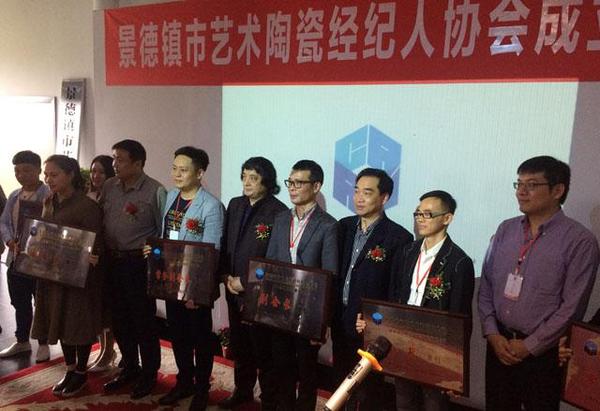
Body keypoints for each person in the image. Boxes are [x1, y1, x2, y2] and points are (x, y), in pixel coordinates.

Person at [478, 156, 599, 411]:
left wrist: (529, 346)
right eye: (518, 183)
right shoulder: (505, 229)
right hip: (499, 345)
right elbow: (487, 285)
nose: (521, 192)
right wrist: (492, 333)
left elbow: (572, 307)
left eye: (531, 185)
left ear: (558, 190)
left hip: (544, 354)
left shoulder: (580, 241)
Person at [332, 168, 412, 410]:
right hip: (340, 319)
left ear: (384, 197)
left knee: (368, 391)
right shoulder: (344, 227)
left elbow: (395, 290)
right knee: (340, 384)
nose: (359, 198)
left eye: (367, 193)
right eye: (356, 191)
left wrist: (376, 321)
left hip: (369, 326)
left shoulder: (398, 237)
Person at [388, 190, 474, 410]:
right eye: (418, 214)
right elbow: (394, 295)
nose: (420, 219)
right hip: (404, 341)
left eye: (427, 214)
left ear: (447, 218)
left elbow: (460, 319)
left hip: (435, 351)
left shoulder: (458, 261)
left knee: (434, 405)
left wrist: (453, 369)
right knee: (404, 403)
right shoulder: (407, 251)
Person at [266, 159, 338, 411]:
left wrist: (322, 322)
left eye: (299, 183)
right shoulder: (280, 218)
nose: (292, 188)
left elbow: (330, 274)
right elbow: (271, 260)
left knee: (307, 369)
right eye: (290, 182)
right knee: (281, 364)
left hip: (309, 310)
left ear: (316, 186)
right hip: (280, 307)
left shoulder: (328, 225)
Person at [156, 146, 225, 410]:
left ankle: (202, 388)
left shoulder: (211, 206)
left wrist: (195, 290)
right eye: (174, 168)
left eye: (183, 170)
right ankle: (184, 381)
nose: (177, 174)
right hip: (171, 280)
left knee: (200, 338)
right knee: (178, 334)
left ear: (199, 173)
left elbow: (211, 252)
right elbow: (166, 234)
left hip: (196, 286)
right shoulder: (171, 195)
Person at [30, 155, 103, 396]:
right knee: (58, 320)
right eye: (46, 175)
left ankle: (81, 373)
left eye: (54, 174)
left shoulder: (87, 206)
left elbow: (95, 242)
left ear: (70, 175)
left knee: (77, 324)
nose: (48, 179)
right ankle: (70, 369)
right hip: (53, 275)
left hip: (78, 278)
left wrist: (86, 255)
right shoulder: (50, 201)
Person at [218, 157, 287, 410]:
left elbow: (275, 258)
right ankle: (242, 390)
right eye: (244, 176)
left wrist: (247, 283)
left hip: (260, 291)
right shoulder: (235, 204)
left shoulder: (279, 211)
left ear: (266, 182)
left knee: (263, 349)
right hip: (232, 287)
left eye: (253, 178)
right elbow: (226, 242)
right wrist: (225, 276)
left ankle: (269, 399)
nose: (247, 182)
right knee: (240, 344)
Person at [101, 139, 166, 399]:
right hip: (112, 261)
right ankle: (129, 366)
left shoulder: (155, 191)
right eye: (113, 158)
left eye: (120, 159)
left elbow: (163, 232)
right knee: (119, 319)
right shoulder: (109, 186)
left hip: (138, 263)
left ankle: (150, 373)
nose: (114, 164)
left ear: (138, 163)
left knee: (143, 321)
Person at [0, 151, 51, 362]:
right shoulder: (14, 195)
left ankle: (43, 343)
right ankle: (22, 341)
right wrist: (9, 240)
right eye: (17, 171)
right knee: (19, 302)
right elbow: (4, 222)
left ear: (38, 170)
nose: (21, 175)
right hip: (16, 258)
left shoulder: (49, 195)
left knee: (41, 302)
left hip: (39, 261)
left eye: (27, 170)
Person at [85, 155, 116, 372]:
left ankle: (109, 351)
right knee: (95, 305)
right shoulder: (86, 196)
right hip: (88, 259)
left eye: (101, 172)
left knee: (107, 307)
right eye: (93, 171)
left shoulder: (112, 197)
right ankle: (103, 349)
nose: (96, 176)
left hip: (107, 258)